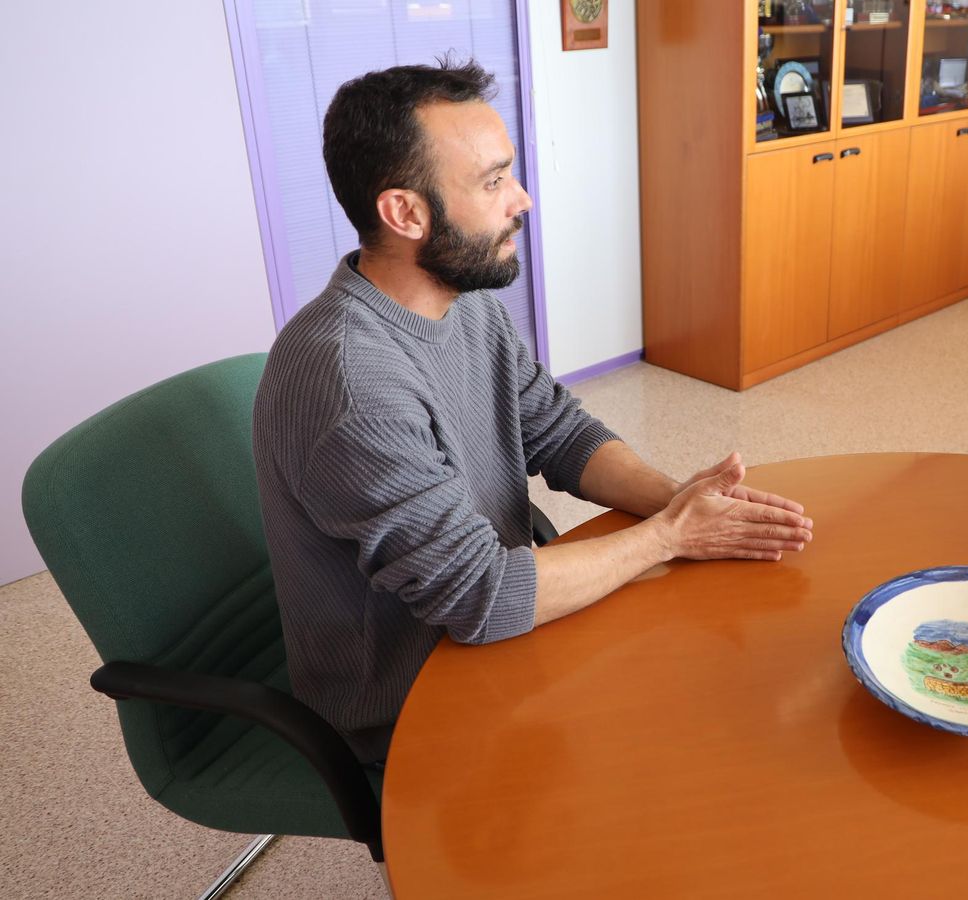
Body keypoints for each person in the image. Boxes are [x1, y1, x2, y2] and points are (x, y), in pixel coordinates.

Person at [252, 59, 813, 763]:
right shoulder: (349, 382)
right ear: (405, 213)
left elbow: (559, 431)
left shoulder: (462, 302)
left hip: (500, 618)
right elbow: (482, 598)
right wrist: (668, 536)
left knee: (727, 666)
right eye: (493, 181)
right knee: (695, 746)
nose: (522, 199)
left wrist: (682, 503)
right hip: (416, 697)